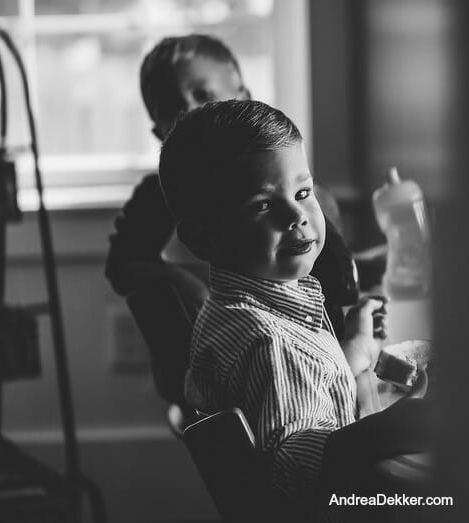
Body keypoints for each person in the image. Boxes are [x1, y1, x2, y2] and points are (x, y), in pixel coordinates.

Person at [159, 100, 432, 520]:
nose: (297, 216)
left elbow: (308, 387)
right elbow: (298, 468)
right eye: (262, 206)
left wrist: (356, 347)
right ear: (203, 239)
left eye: (303, 193)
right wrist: (401, 426)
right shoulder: (266, 342)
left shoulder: (247, 307)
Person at [104, 34, 353, 331]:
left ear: (244, 99)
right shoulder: (158, 196)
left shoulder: (303, 200)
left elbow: (338, 285)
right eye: (170, 106)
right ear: (159, 133)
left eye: (202, 95)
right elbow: (122, 265)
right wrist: (177, 280)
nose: (188, 110)